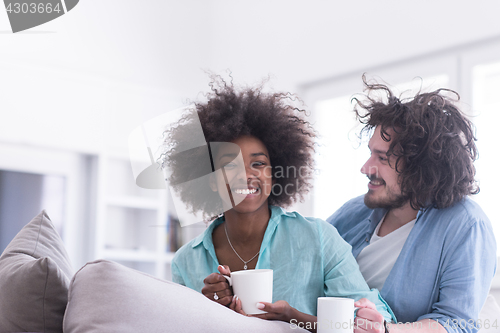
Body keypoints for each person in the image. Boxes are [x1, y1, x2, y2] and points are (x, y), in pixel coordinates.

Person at [162, 77, 395, 332]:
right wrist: (205, 311)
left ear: (276, 174)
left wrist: (292, 319)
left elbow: (367, 321)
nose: (246, 175)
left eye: (258, 163)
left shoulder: (318, 239)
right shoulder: (186, 261)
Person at [327, 76, 497, 333]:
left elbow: (456, 323)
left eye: (382, 158)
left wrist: (386, 330)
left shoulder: (466, 225)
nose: (366, 168)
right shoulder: (353, 213)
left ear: (422, 168)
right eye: (370, 152)